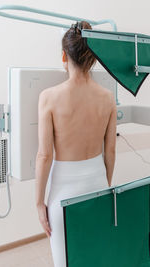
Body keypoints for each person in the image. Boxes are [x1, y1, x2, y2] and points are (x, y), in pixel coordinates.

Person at [35, 21, 117, 267]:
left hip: (63, 195)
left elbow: (44, 156)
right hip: (98, 186)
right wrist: (104, 186)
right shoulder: (108, 98)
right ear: (93, 58)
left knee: (66, 261)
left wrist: (39, 202)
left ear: (64, 55)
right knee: (95, 259)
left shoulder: (49, 97)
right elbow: (110, 151)